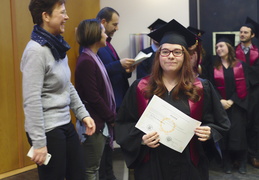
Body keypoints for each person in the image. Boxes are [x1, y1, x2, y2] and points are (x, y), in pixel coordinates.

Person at [115, 19, 231, 180]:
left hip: (189, 165)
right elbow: (123, 124)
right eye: (165, 51)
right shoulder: (140, 87)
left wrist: (210, 131)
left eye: (177, 52)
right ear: (158, 55)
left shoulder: (201, 87)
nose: (171, 56)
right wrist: (140, 139)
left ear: (185, 56)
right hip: (151, 164)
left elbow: (221, 123)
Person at [20, 1, 96, 179]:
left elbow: (67, 85)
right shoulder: (36, 51)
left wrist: (83, 114)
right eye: (62, 12)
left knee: (78, 174)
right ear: (46, 16)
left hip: (64, 124)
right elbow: (31, 100)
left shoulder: (56, 45)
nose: (67, 17)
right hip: (47, 130)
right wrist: (39, 142)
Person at [96, 7, 136, 180]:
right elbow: (98, 71)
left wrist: (126, 69)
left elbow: (113, 70)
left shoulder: (108, 43)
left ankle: (110, 174)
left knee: (111, 143)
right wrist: (119, 64)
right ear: (103, 23)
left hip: (118, 97)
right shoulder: (95, 44)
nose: (117, 28)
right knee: (107, 144)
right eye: (115, 24)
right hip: (108, 101)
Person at [75, 18, 116, 180]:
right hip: (94, 122)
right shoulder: (86, 61)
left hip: (99, 120)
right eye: (103, 32)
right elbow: (93, 97)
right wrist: (111, 117)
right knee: (91, 169)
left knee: (96, 167)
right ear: (95, 34)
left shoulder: (93, 57)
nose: (106, 35)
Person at [209, 34, 249, 174]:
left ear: (229, 47)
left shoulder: (240, 65)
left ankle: (242, 162)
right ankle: (226, 163)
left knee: (239, 135)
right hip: (221, 107)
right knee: (224, 135)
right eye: (216, 47)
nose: (218, 49)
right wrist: (220, 100)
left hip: (237, 105)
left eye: (221, 46)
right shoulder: (213, 66)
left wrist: (232, 100)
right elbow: (211, 86)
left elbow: (245, 85)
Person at [235, 17, 259, 168]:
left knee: (255, 125)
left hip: (255, 92)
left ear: (252, 35)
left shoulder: (258, 52)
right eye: (241, 32)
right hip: (237, 92)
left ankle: (254, 154)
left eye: (245, 32)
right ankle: (238, 155)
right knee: (238, 124)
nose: (242, 34)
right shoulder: (233, 51)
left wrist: (243, 71)